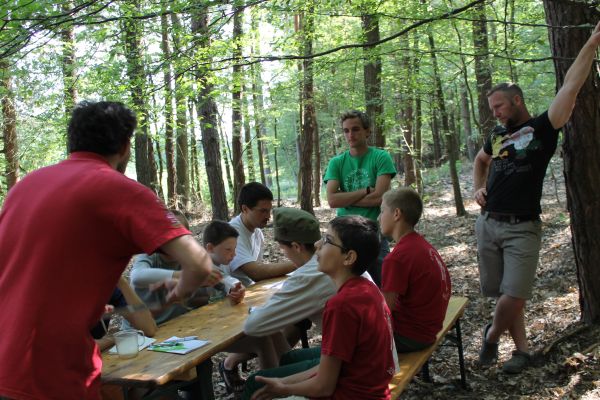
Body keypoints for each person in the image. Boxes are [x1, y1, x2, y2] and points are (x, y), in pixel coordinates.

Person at [0, 101, 220, 400]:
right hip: (50, 372)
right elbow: (199, 265)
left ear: (72, 139)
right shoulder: (118, 188)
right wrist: (179, 290)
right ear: (127, 146)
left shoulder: (25, 187)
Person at [473, 22, 600, 374]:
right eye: (492, 107)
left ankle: (491, 337)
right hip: (488, 224)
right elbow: (481, 161)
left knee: (514, 295)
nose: (495, 112)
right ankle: (523, 351)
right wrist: (477, 187)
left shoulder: (543, 128)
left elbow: (571, 87)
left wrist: (591, 43)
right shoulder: (496, 135)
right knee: (503, 296)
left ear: (517, 101)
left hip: (522, 227)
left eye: (499, 105)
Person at [250, 216, 397, 400]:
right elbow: (327, 369)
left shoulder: (341, 305)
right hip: (375, 391)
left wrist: (284, 389)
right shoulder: (367, 290)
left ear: (349, 257)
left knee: (252, 385)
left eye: (328, 240)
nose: (318, 244)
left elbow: (323, 387)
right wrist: (284, 382)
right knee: (278, 371)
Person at [241, 208, 337, 398]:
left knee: (255, 383)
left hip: (349, 363)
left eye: (283, 249)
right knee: (288, 359)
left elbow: (253, 326)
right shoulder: (331, 262)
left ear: (296, 246)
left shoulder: (310, 274)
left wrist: (264, 309)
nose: (284, 254)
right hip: (356, 351)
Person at [323, 110, 396, 287]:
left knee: (382, 283)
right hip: (343, 234)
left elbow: (379, 198)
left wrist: (345, 198)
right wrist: (366, 190)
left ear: (367, 131)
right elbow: (332, 200)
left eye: (355, 129)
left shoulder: (380, 157)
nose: (350, 135)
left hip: (373, 231)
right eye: (346, 131)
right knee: (344, 284)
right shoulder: (337, 162)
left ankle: (384, 315)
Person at [129, 213, 244, 325]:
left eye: (178, 235)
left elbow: (224, 279)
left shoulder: (191, 257)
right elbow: (137, 276)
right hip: (144, 331)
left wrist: (235, 289)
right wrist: (187, 275)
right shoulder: (149, 255)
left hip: (179, 325)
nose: (172, 239)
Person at [379, 188, 451, 352]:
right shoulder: (421, 244)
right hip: (427, 330)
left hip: (409, 336)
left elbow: (384, 311)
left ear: (396, 214)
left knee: (349, 341)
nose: (379, 217)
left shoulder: (397, 258)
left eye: (382, 211)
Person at [228, 182, 296, 286]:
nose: (268, 216)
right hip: (228, 297)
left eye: (269, 211)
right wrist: (300, 262)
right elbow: (257, 273)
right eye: (263, 211)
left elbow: (258, 271)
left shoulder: (257, 232)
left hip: (249, 291)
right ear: (245, 209)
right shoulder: (231, 233)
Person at [92, 276, 157, 352]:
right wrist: (112, 338)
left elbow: (148, 328)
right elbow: (78, 350)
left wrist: (121, 282)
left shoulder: (105, 286)